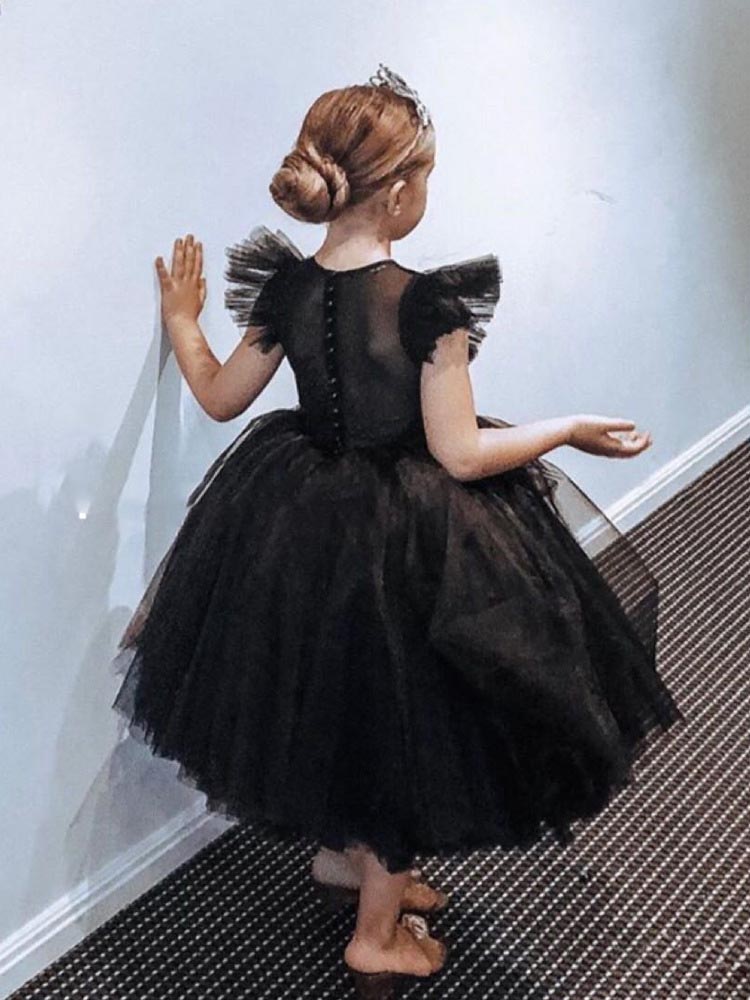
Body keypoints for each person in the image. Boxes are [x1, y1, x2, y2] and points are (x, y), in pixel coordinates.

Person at [111, 64, 684, 995]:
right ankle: (377, 935)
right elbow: (459, 453)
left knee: (335, 698)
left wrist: (183, 321)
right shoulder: (428, 305)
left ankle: (346, 859)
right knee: (404, 723)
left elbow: (218, 396)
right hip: (404, 537)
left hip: (295, 518)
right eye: (427, 178)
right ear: (400, 192)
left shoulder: (287, 290)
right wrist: (568, 429)